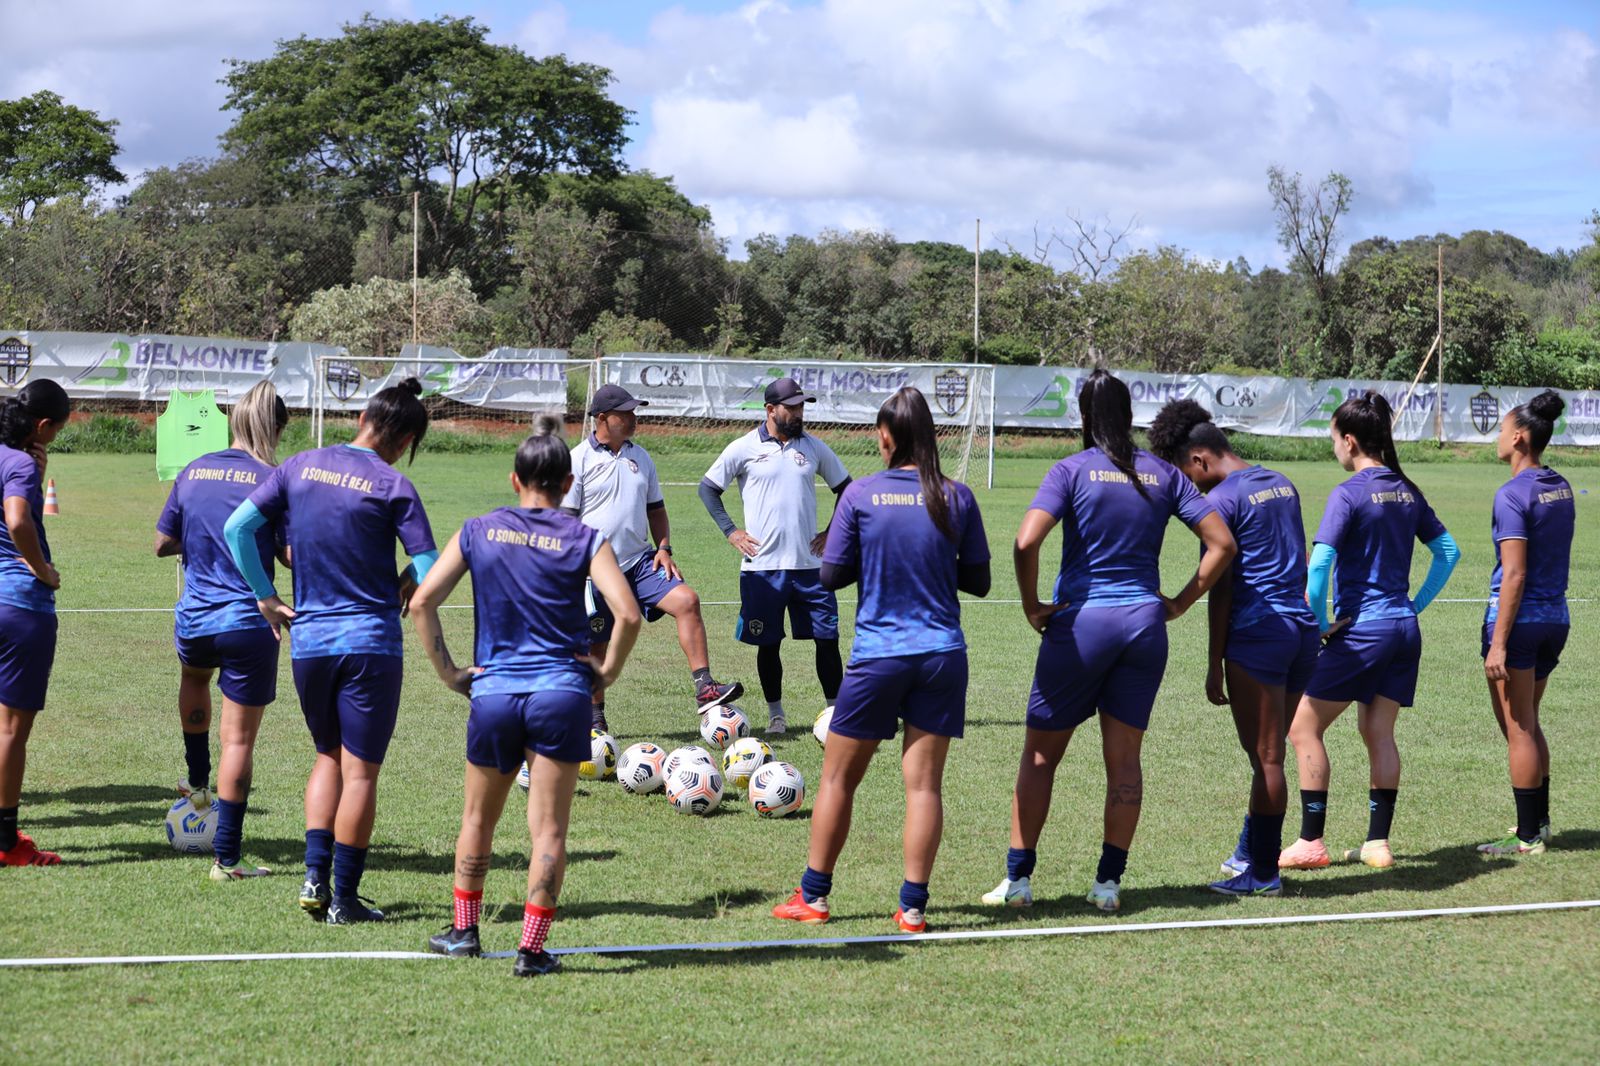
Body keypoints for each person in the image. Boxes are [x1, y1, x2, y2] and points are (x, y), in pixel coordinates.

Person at [982, 370, 1235, 915]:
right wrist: (1179, 602)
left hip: (1082, 625)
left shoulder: (1071, 469)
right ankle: (1107, 884)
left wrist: (1031, 605)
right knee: (1124, 763)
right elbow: (1222, 544)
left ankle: (1019, 881)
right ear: (1129, 415)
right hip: (1144, 627)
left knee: (1041, 757)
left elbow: (1026, 540)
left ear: (1083, 416)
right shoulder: (1165, 475)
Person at [412, 415, 641, 977]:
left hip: (493, 694)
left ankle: (464, 932)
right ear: (567, 485)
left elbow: (421, 603)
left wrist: (449, 673)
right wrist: (605, 670)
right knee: (550, 831)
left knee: (477, 820)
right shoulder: (585, 537)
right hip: (562, 695)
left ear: (514, 480)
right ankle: (531, 950)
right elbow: (629, 613)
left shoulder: (478, 529)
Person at [770, 387, 989, 934]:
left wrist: (877, 555)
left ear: (887, 437)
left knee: (838, 780)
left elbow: (830, 575)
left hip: (879, 657)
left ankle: (814, 897)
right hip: (941, 655)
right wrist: (932, 564)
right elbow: (980, 581)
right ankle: (913, 909)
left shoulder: (862, 495)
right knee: (923, 787)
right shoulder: (956, 495)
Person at [225, 379, 437, 924]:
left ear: (363, 414)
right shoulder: (395, 485)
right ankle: (344, 899)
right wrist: (404, 584)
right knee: (361, 774)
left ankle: (314, 880)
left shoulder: (297, 466)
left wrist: (266, 597)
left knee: (326, 757)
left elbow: (239, 527)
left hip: (310, 643)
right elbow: (431, 568)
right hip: (370, 645)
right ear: (407, 437)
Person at [1279, 391, 1460, 872]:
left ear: (1351, 440)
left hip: (1365, 632)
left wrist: (1319, 624)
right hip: (1403, 629)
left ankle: (1310, 841)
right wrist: (1413, 606)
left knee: (1303, 727)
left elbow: (1318, 567)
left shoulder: (1350, 493)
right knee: (1378, 730)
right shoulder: (1406, 488)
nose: (1333, 446)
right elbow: (1448, 553)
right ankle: (1377, 843)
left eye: (1334, 438)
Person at [1148, 398, 1317, 896]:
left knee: (1266, 759)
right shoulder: (1281, 482)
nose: (1190, 486)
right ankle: (1250, 853)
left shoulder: (1219, 502)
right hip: (1301, 632)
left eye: (1187, 474)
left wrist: (1211, 661)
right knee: (1271, 754)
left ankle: (1263, 875)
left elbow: (1219, 589)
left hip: (1259, 635)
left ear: (1199, 458)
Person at [155, 381, 289, 882]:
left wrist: (200, 536)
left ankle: (196, 785)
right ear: (274, 428)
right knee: (239, 743)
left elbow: (162, 542)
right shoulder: (273, 478)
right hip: (247, 619)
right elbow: (288, 554)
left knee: (194, 680)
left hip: (194, 617)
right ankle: (227, 860)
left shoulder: (194, 470)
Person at [563, 383, 741, 732]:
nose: (633, 418)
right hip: (593, 570)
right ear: (602, 418)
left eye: (634, 412)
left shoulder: (641, 457)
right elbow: (567, 520)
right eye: (625, 413)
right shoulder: (577, 459)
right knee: (596, 644)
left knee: (687, 600)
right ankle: (595, 718)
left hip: (641, 562)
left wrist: (663, 547)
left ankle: (705, 687)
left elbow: (656, 509)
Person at [699, 377, 852, 735]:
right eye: (791, 407)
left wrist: (832, 532)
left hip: (812, 568)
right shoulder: (743, 447)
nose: (798, 413)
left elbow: (848, 489)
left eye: (801, 407)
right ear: (770, 410)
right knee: (768, 644)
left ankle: (838, 716)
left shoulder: (813, 448)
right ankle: (776, 716)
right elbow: (708, 489)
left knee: (827, 641)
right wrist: (731, 531)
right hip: (762, 569)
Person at [1476, 390, 1572, 856]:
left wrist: (1498, 644)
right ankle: (1541, 823)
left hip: (1520, 625)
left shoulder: (1512, 494)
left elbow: (1514, 573)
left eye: (1500, 429)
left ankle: (1527, 835)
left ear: (1518, 437)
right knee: (1530, 724)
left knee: (1518, 728)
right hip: (1556, 619)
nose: (1496, 437)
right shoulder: (1562, 485)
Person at [0, 380, 70, 868]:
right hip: (19, 606)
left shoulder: (16, 459)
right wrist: (42, 569)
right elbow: (19, 519)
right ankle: (7, 844)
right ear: (42, 425)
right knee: (10, 732)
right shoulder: (21, 464)